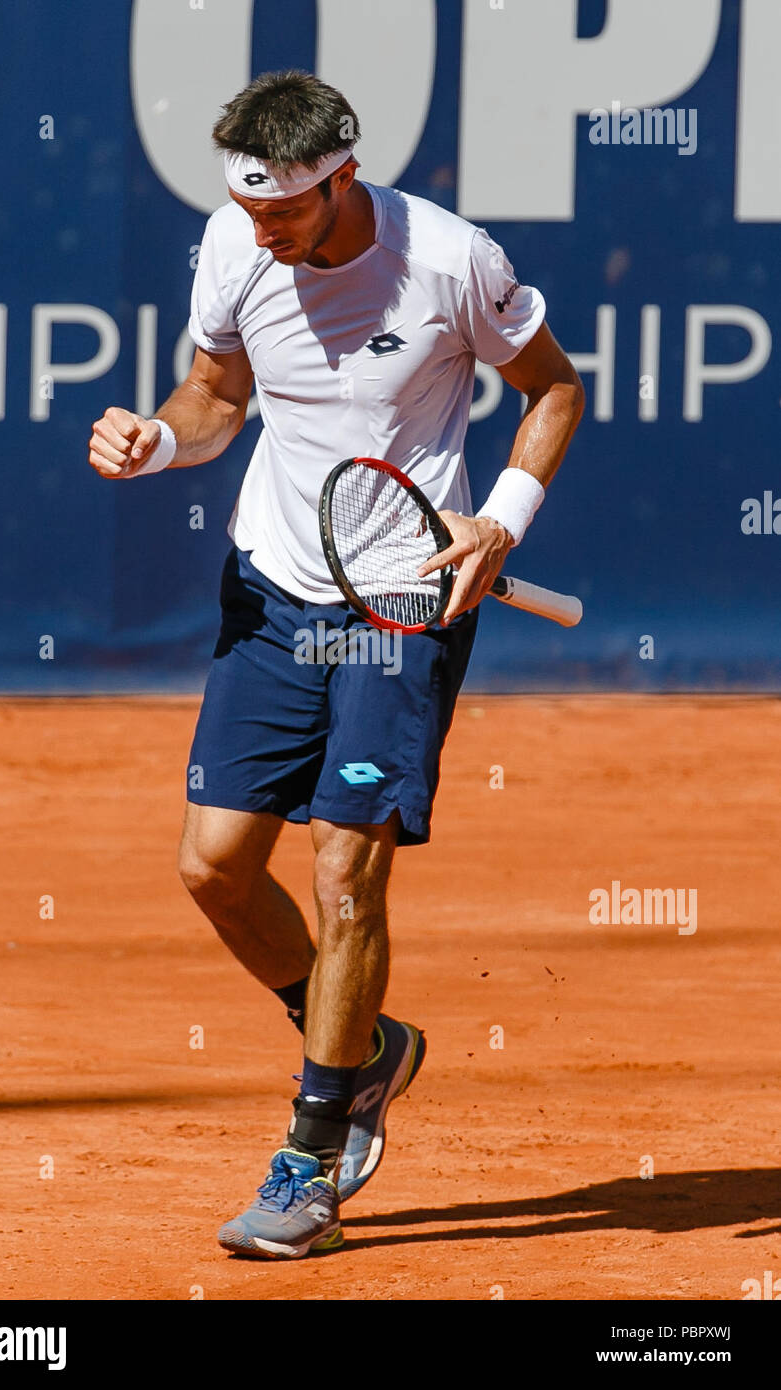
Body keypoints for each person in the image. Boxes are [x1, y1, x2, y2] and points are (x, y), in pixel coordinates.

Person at [88, 69, 584, 1260]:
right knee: (214, 870)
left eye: (286, 212)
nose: (264, 232)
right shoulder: (231, 244)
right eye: (248, 209)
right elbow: (213, 396)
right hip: (272, 583)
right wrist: (158, 443)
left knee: (344, 871)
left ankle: (312, 1150)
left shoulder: (449, 259)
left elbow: (551, 387)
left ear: (341, 179)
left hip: (400, 601)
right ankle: (365, 1046)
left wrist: (499, 518)